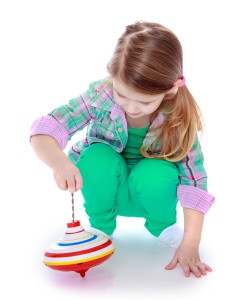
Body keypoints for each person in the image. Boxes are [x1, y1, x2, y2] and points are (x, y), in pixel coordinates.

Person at [30, 21, 215, 278]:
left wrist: (191, 243)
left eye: (145, 101)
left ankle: (161, 225)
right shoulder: (100, 95)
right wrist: (59, 162)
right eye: (122, 94)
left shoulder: (179, 117)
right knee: (95, 158)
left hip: (151, 195)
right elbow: (46, 129)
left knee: (156, 172)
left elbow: (194, 180)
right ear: (112, 77)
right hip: (107, 190)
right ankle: (101, 226)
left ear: (171, 88)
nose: (131, 107)